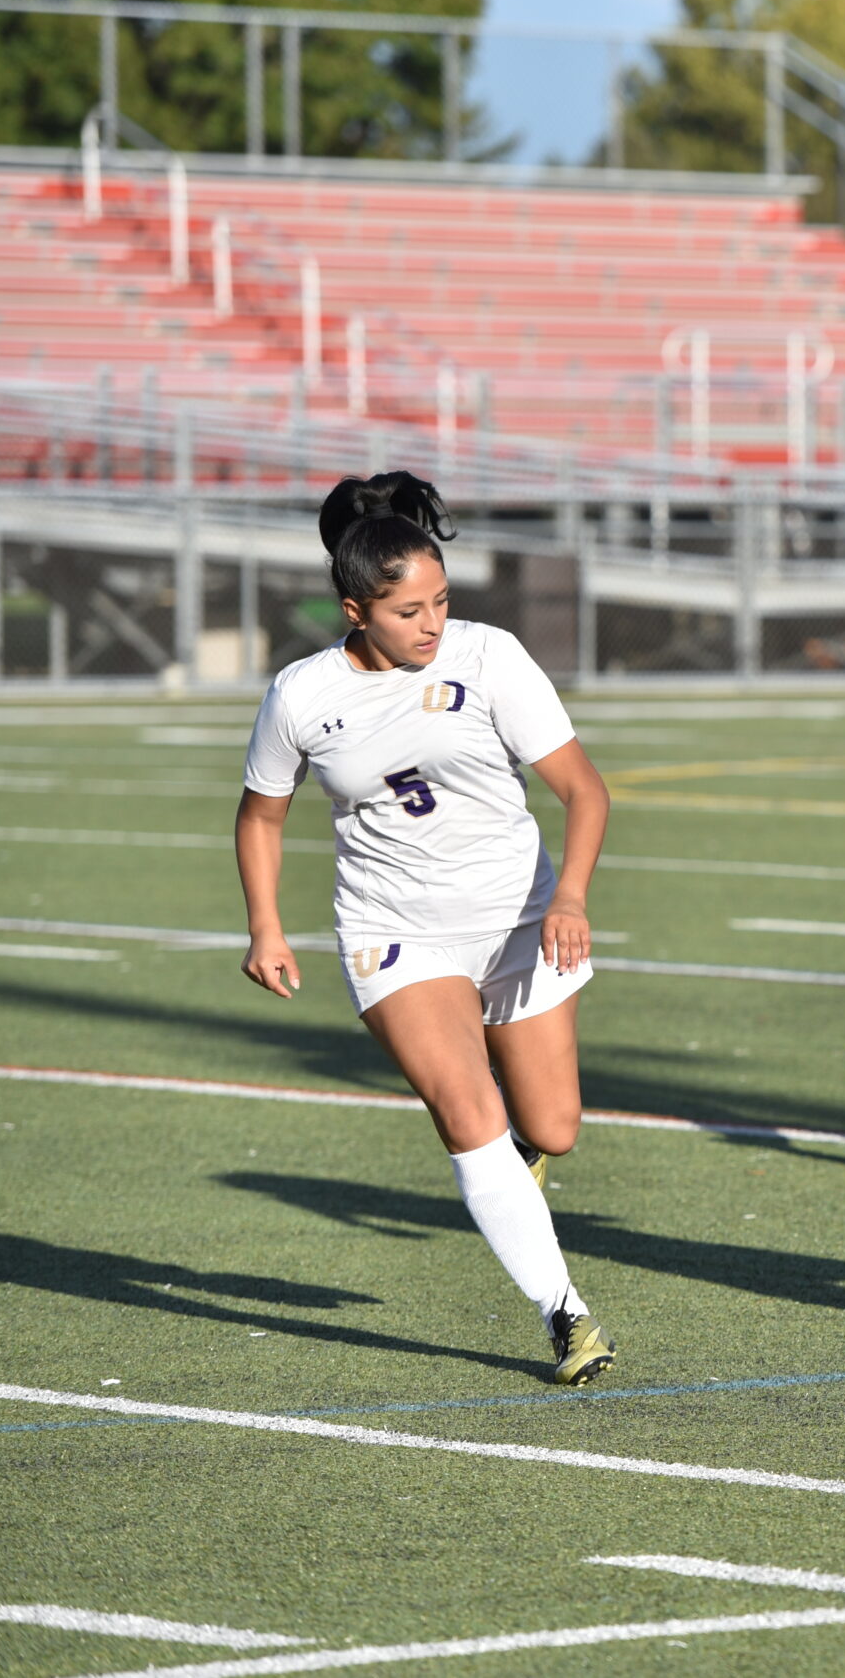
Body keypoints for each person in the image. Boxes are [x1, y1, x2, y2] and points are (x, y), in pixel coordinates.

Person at [235, 471, 618, 1386]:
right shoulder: (300, 696)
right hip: (393, 929)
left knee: (553, 1128)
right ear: (355, 610)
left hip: (521, 914)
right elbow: (260, 816)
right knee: (467, 1110)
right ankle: (567, 1315)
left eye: (441, 600)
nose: (432, 623)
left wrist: (569, 899)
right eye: (409, 609)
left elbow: (583, 790)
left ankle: (519, 1163)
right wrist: (266, 927)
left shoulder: (489, 657)